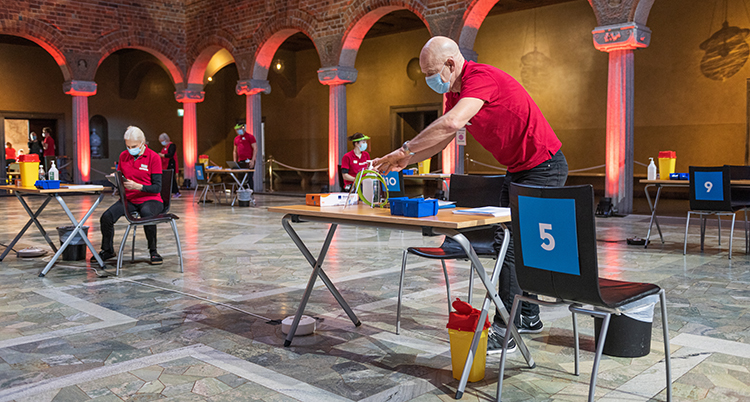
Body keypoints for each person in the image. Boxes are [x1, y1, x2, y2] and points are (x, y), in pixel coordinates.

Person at [372, 36, 568, 355]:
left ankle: (507, 329)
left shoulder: (480, 78)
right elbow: (445, 136)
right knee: (508, 242)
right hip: (518, 169)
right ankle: (528, 317)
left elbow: (452, 121)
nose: (429, 81)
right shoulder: (455, 92)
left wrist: (406, 146)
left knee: (514, 246)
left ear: (451, 64)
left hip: (543, 165)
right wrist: (408, 158)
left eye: (432, 73)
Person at [92, 126, 165, 265]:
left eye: (134, 146)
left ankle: (153, 251)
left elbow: (157, 188)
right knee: (106, 217)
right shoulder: (123, 156)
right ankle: (107, 250)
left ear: (143, 142)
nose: (131, 149)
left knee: (146, 213)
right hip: (129, 198)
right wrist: (116, 178)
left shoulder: (153, 157)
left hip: (150, 198)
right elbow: (121, 176)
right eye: (128, 146)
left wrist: (139, 186)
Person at [158, 133, 180, 197]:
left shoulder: (172, 145)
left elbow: (171, 154)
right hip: (165, 165)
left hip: (171, 164)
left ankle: (176, 192)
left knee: (172, 178)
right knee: (167, 179)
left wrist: (162, 155)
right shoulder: (164, 148)